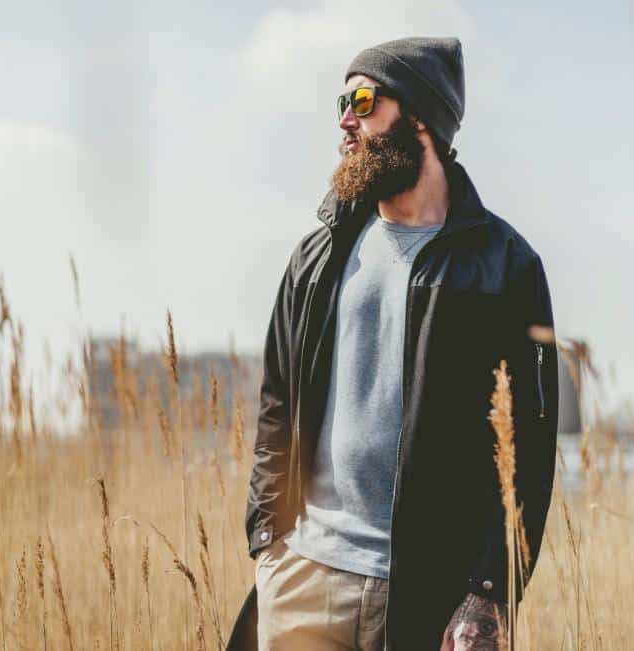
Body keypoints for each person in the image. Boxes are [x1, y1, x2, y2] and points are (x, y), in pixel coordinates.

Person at [227, 36, 559, 651]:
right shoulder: (318, 255)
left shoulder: (503, 269)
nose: (345, 121)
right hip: (302, 576)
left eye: (363, 99)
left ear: (422, 119)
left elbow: (529, 454)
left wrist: (488, 592)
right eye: (341, 103)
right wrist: (268, 542)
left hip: (425, 596)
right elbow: (277, 402)